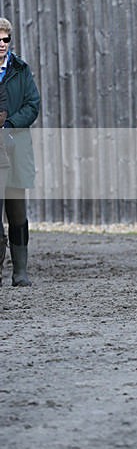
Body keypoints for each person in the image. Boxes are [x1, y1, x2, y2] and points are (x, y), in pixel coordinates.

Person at [0, 17, 41, 286]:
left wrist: (10, 124)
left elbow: (32, 104)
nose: (2, 45)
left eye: (6, 39)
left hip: (15, 147)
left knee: (17, 212)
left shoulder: (21, 69)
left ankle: (20, 271)